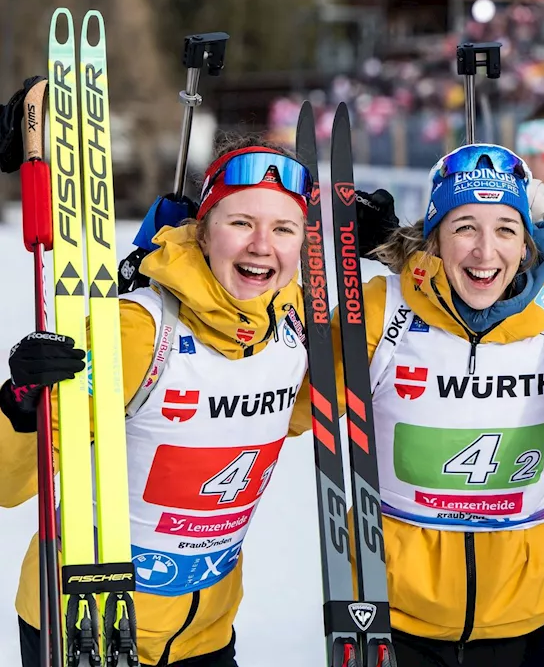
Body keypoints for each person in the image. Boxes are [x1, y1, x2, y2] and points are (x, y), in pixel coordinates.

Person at [1, 137, 315, 667]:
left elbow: (313, 410)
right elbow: (9, 485)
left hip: (206, 635)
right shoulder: (136, 330)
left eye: (284, 228)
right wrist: (19, 403)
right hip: (87, 626)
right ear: (203, 229)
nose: (262, 245)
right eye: (241, 223)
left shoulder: (293, 324)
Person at [359, 143, 544, 666]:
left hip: (526, 613)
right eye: (465, 227)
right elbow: (284, 402)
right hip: (398, 614)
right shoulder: (388, 309)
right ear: (435, 237)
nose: (485, 252)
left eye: (505, 230)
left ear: (526, 244)